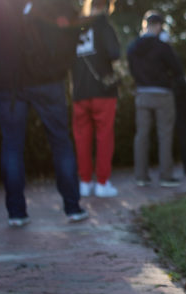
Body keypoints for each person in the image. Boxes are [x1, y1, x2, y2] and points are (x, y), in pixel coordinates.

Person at [0, 0, 89, 227]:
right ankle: (73, 207)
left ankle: (16, 213)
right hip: (47, 79)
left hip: (8, 82)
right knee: (60, 141)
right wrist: (62, 64)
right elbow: (75, 26)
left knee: (12, 144)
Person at [127, 11, 184, 187]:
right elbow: (177, 69)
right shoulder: (162, 46)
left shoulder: (133, 47)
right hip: (162, 94)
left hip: (142, 93)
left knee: (141, 136)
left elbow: (131, 67)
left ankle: (140, 176)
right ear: (159, 25)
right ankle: (166, 176)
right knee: (164, 135)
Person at [72, 0, 120, 197]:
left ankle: (84, 182)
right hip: (103, 92)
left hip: (79, 92)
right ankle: (102, 183)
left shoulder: (75, 27)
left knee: (82, 138)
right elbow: (114, 53)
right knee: (104, 137)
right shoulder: (104, 25)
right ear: (108, 6)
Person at [159, 30, 186, 176]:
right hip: (174, 96)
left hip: (175, 95)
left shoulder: (159, 53)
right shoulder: (165, 53)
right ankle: (181, 166)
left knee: (177, 131)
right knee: (176, 131)